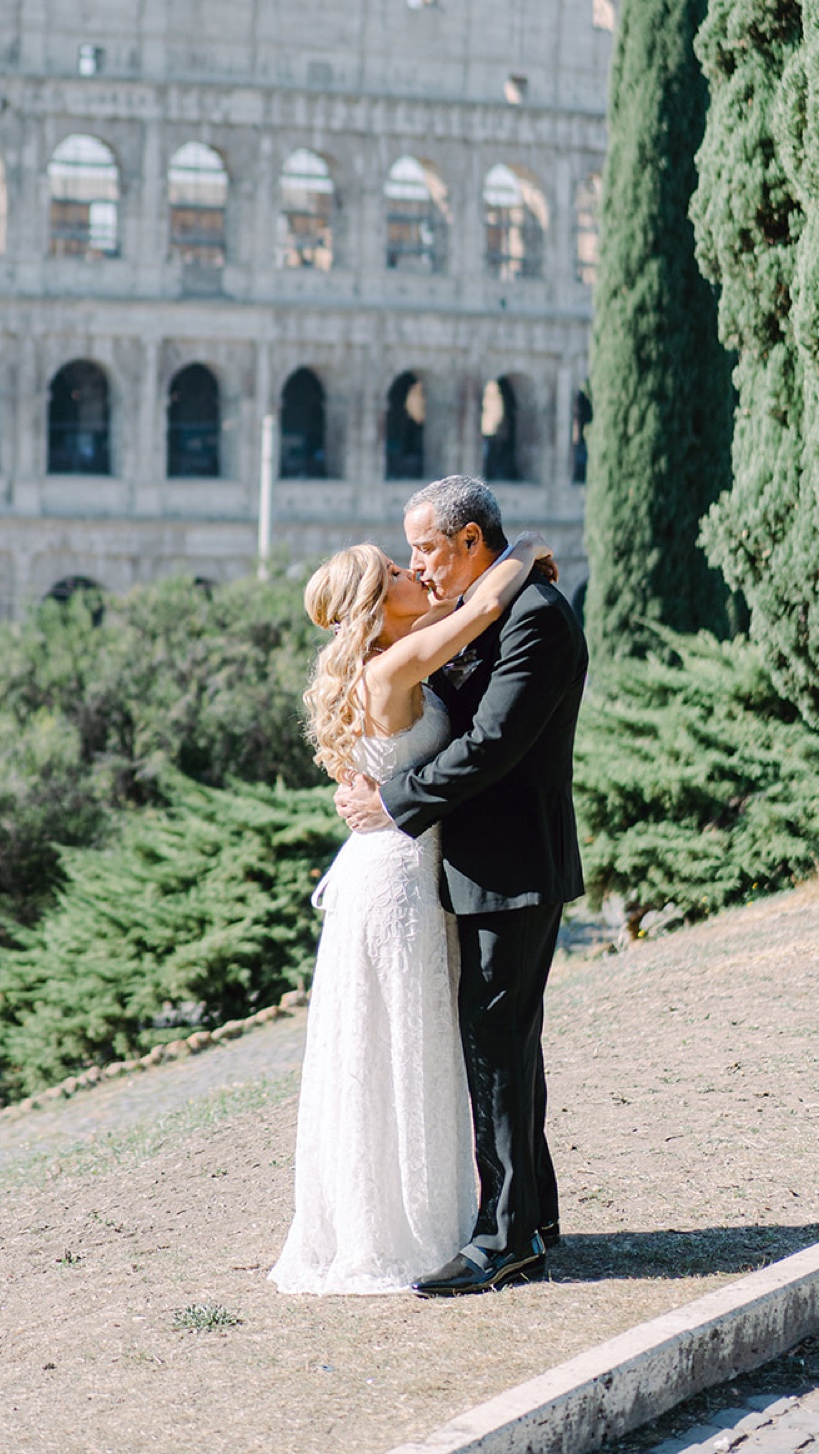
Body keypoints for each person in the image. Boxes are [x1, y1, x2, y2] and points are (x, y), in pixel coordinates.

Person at [270, 522, 555, 1296]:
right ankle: (412, 1228)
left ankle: (460, 1217)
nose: (414, 575)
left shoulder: (394, 651)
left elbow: (460, 612)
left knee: (412, 1042)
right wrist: (522, 550)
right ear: (374, 600)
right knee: (407, 1040)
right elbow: (482, 606)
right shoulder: (394, 664)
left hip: (397, 862)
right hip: (396, 876)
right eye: (398, 568)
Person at [335, 475, 587, 1296]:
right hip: (471, 866)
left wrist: (390, 801)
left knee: (499, 1048)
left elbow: (491, 745)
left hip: (511, 866)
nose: (419, 564)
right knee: (505, 1044)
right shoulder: (478, 608)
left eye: (427, 549)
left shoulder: (537, 621)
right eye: (409, 553)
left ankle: (505, 1238)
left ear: (471, 541)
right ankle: (534, 1214)